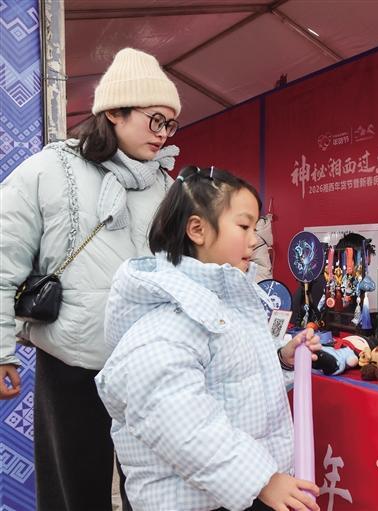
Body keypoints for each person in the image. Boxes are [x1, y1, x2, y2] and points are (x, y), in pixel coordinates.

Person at [0, 47, 181, 510]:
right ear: (115, 112)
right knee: (73, 495)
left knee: (156, 494)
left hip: (148, 369)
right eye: (154, 119)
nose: (162, 134)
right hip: (72, 366)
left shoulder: (167, 186)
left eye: (170, 124)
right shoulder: (48, 170)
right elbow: (2, 261)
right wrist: (1, 353)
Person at [95, 165, 322, 511]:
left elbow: (234, 380)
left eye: (256, 228)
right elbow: (184, 428)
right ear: (198, 230)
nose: (254, 240)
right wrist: (261, 479)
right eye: (244, 226)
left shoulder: (222, 303)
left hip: (231, 494)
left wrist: (281, 358)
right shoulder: (167, 321)